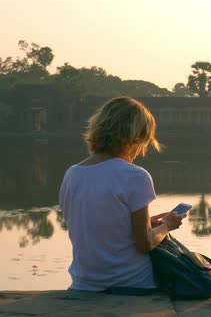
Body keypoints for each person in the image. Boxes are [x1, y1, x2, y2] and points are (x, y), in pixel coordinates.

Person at [59, 97, 185, 292]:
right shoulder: (135, 175)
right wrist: (167, 225)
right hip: (132, 285)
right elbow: (145, 244)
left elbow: (91, 226)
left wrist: (145, 222)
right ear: (136, 136)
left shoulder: (72, 174)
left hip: (84, 285)